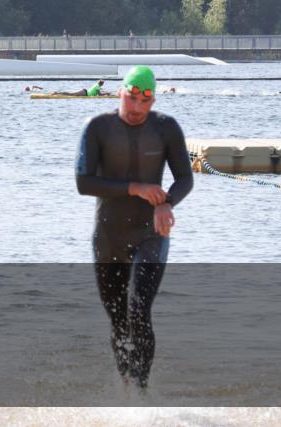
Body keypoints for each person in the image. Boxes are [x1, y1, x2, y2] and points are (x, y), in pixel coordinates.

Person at [75, 65, 193, 390]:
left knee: (139, 310)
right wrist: (136, 189)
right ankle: (126, 382)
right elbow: (84, 183)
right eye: (132, 98)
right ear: (120, 92)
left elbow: (185, 177)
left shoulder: (166, 128)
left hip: (151, 234)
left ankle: (141, 393)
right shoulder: (97, 127)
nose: (138, 107)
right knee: (118, 318)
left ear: (153, 100)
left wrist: (167, 203)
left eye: (146, 101)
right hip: (109, 237)